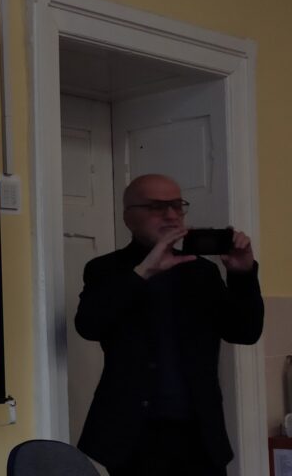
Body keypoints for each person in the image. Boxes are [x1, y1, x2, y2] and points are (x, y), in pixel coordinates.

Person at [74, 174, 263, 476]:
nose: (172, 215)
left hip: (200, 436)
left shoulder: (202, 272)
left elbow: (245, 332)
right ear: (128, 217)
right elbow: (89, 326)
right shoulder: (105, 270)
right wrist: (141, 273)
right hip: (131, 437)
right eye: (157, 207)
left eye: (177, 206)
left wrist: (243, 275)